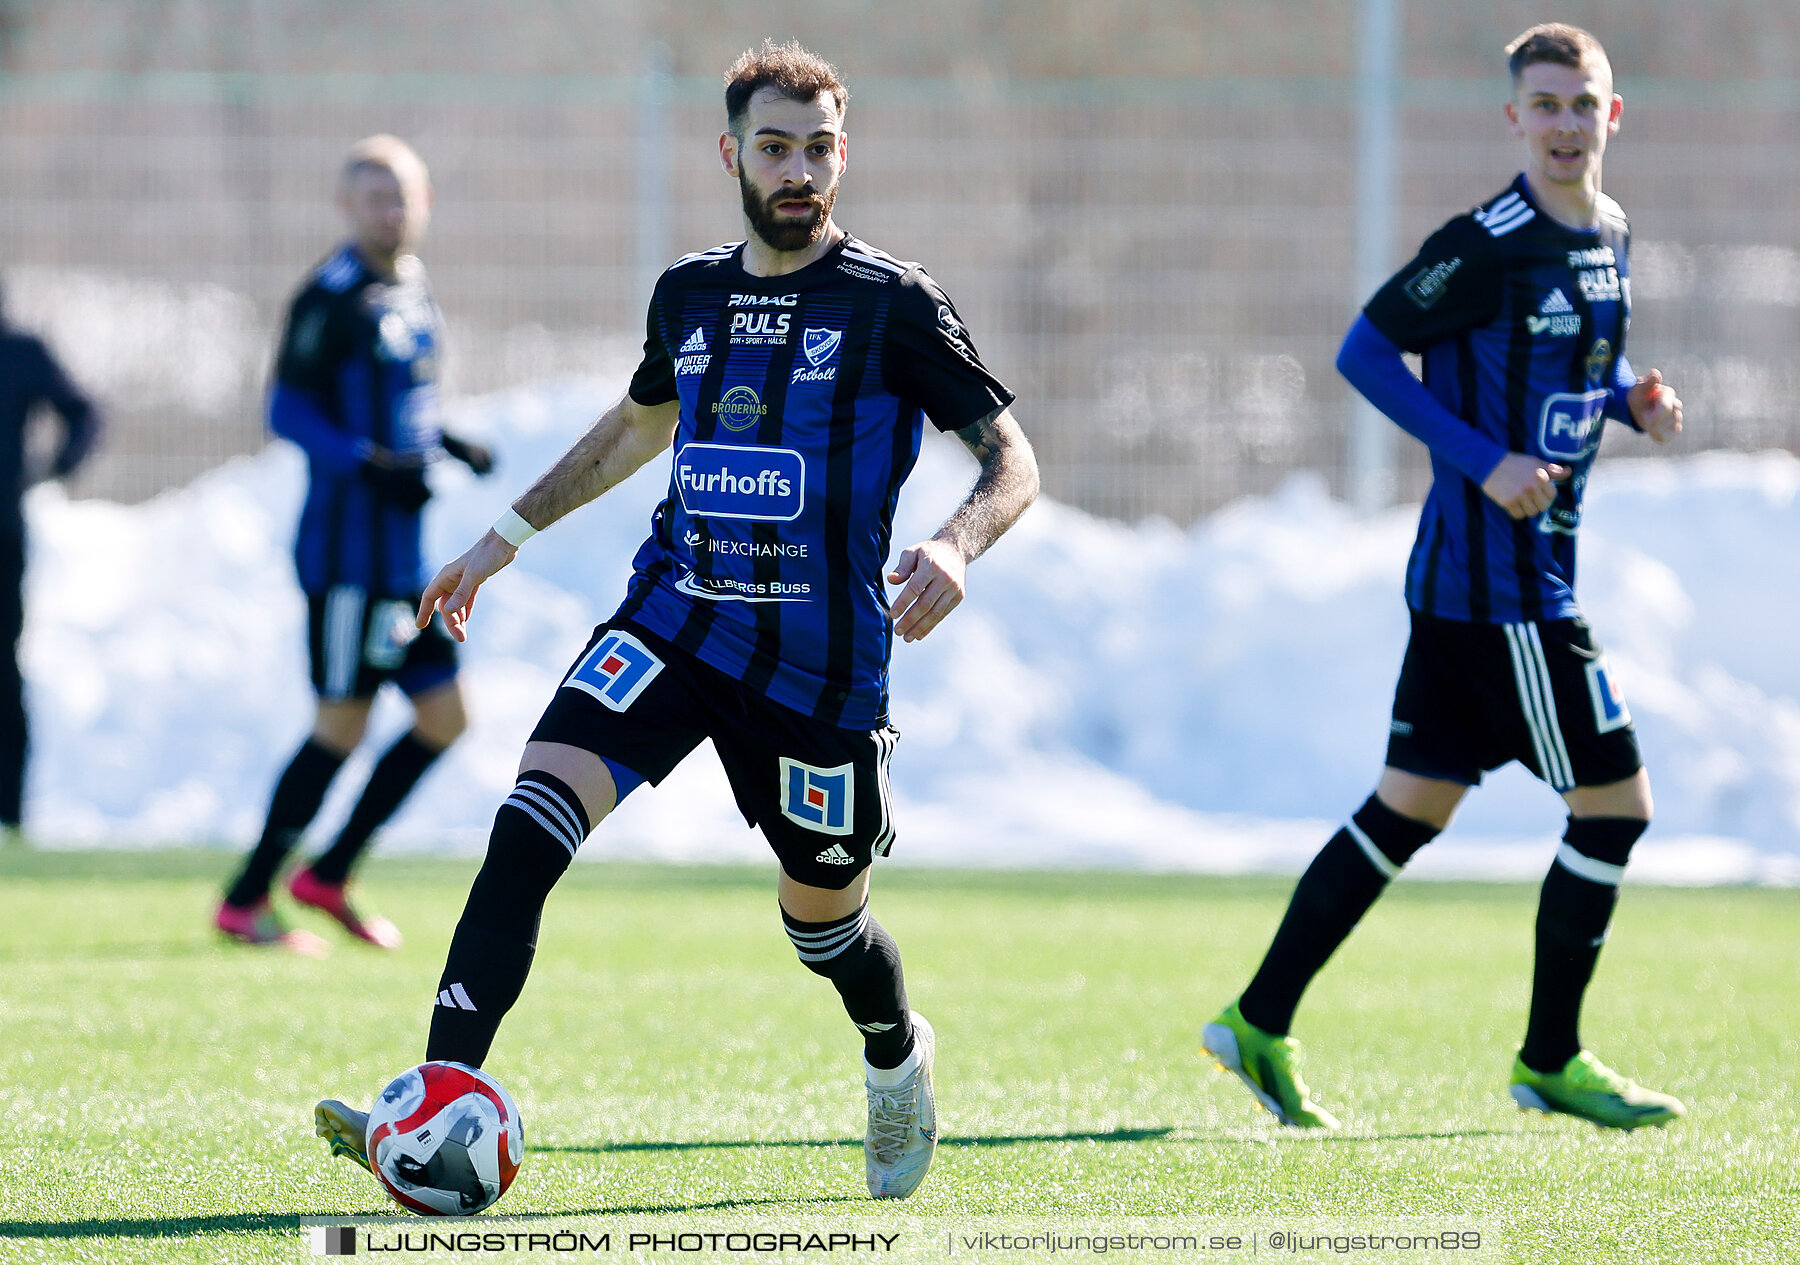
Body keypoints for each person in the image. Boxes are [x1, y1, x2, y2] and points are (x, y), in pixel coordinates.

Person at [313, 42, 1037, 1200]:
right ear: (732, 154)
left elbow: (1012, 459)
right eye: (773, 147)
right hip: (672, 620)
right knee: (528, 819)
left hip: (818, 668)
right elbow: (633, 426)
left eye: (817, 148)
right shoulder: (690, 295)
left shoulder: (894, 306)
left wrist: (956, 542)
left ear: (843, 154)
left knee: (826, 929)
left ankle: (897, 1056)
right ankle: (440, 1094)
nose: (797, 169)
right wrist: (503, 535)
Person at [1202, 24, 1687, 1132]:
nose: (1565, 123)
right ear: (1513, 118)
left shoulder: (1610, 232)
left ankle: (1256, 1020)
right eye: (1545, 104)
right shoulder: (1484, 243)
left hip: (1489, 584)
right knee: (1616, 808)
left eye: (1584, 104)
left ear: (1613, 117)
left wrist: (1629, 405)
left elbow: (1573, 369)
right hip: (1506, 591)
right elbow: (1365, 350)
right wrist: (1485, 460)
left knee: (1408, 806)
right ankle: (1551, 1058)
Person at [216, 135, 493, 955]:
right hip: (346, 562)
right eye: (373, 198)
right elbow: (290, 411)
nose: (389, 211)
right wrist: (368, 465)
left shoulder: (411, 288)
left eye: (401, 195)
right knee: (340, 726)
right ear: (346, 207)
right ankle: (244, 898)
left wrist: (449, 439)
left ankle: (329, 872)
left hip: (407, 566)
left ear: (425, 202)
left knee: (446, 718)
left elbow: (399, 405)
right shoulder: (329, 295)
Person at [0, 281, 100, 841]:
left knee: (2, 668)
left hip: (1, 533)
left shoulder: (19, 351)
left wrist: (54, 467)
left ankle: (10, 811)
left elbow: (83, 412)